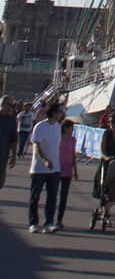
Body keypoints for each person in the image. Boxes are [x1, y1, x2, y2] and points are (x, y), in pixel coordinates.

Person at [28, 99, 65, 232]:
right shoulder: (40, 127)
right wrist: (44, 160)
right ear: (54, 113)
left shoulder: (58, 127)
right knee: (35, 196)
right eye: (60, 112)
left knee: (52, 197)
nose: (62, 114)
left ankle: (48, 222)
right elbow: (37, 145)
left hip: (55, 168)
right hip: (39, 168)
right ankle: (33, 223)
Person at [93, 110, 115, 230]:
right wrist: (106, 157)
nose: (110, 124)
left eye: (112, 122)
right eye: (109, 122)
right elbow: (102, 149)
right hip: (107, 162)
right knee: (107, 188)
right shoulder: (106, 133)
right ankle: (105, 212)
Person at [56, 118, 78, 229]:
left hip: (67, 171)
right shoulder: (58, 138)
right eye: (71, 128)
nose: (72, 130)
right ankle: (50, 217)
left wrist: (75, 170)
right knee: (54, 195)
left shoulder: (73, 140)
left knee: (64, 196)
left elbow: (73, 155)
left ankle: (59, 219)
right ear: (65, 128)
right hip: (56, 170)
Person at [0, 97, 17, 187]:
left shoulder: (12, 121)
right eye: (10, 105)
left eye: (13, 106)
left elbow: (13, 140)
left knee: (1, 181)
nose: (12, 108)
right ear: (2, 105)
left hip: (3, 156)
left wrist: (14, 156)